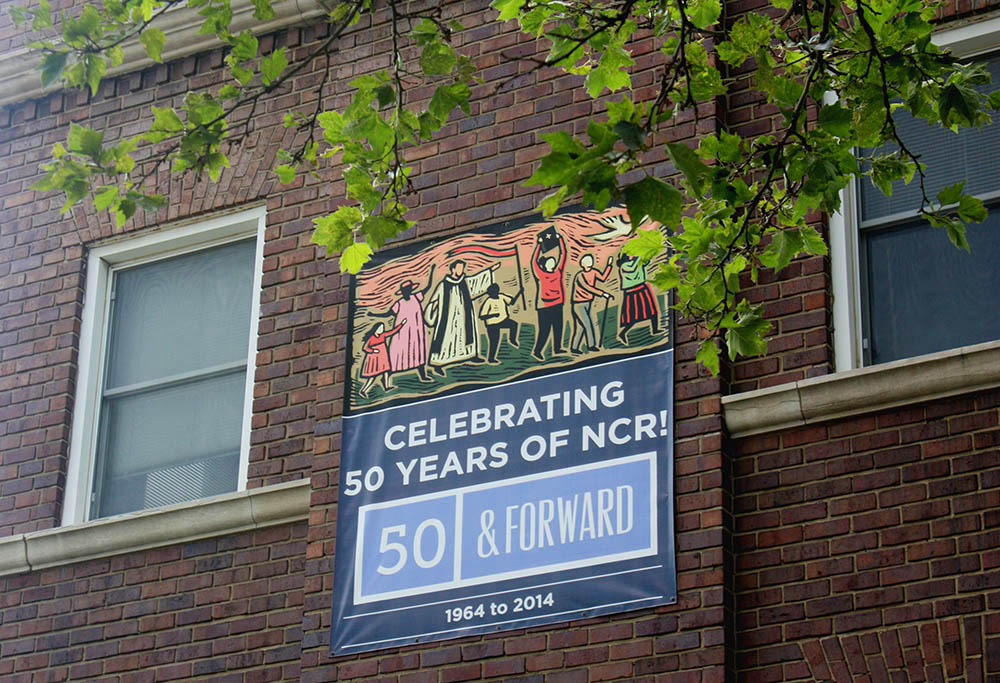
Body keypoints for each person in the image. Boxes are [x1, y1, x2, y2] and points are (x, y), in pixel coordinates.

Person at [424, 259, 497, 375]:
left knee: (466, 335)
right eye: (459, 268)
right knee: (445, 339)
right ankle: (438, 364)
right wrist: (433, 308)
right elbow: (434, 300)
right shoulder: (443, 285)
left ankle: (470, 356)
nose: (461, 270)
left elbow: (477, 282)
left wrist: (490, 271)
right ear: (453, 269)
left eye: (462, 268)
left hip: (463, 315)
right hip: (448, 318)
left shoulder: (465, 282)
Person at [374, 270, 434, 383]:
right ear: (403, 292)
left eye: (409, 289)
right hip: (402, 333)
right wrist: (374, 314)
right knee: (397, 354)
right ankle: (386, 377)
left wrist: (432, 273)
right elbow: (388, 314)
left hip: (416, 330)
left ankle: (423, 375)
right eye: (406, 290)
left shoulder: (416, 297)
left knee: (418, 352)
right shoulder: (399, 303)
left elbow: (428, 287)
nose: (407, 291)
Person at [531, 230, 567, 361]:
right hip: (544, 305)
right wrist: (539, 245)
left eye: (553, 260)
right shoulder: (541, 274)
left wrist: (560, 239)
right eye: (549, 261)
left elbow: (563, 254)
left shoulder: (558, 271)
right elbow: (534, 261)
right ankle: (537, 351)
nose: (552, 261)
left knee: (558, 327)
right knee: (544, 330)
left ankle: (557, 348)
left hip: (558, 303)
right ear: (544, 265)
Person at [570, 253, 613, 353]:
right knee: (588, 324)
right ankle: (591, 345)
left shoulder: (594, 272)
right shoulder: (579, 276)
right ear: (582, 264)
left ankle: (574, 347)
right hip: (578, 304)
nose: (589, 262)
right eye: (586, 261)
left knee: (581, 327)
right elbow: (588, 288)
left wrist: (609, 266)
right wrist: (603, 294)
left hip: (588, 303)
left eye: (590, 260)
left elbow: (603, 278)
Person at [617, 251, 660, 343]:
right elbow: (632, 268)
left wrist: (648, 255)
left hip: (642, 287)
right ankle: (622, 333)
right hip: (631, 292)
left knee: (652, 310)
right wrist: (640, 257)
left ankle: (655, 329)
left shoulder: (637, 261)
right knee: (632, 317)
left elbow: (647, 262)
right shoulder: (624, 265)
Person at [359, 321, 405, 398]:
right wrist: (373, 350)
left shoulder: (383, 335)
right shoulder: (372, 338)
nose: (382, 329)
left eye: (383, 328)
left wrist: (401, 324)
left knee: (386, 371)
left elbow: (392, 332)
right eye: (380, 328)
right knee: (372, 376)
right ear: (376, 329)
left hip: (383, 356)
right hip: (374, 358)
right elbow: (365, 348)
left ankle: (386, 387)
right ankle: (363, 390)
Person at [478, 282, 522, 364]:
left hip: (503, 320)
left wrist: (519, 292)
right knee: (494, 341)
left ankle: (512, 339)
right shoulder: (489, 301)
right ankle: (491, 358)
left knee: (514, 324)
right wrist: (493, 315)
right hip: (492, 324)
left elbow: (512, 302)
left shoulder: (501, 297)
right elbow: (482, 316)